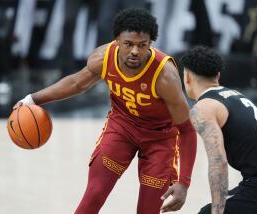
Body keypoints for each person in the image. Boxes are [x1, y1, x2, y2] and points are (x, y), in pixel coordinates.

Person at [14, 8, 197, 214]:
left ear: (150, 44)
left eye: (141, 45)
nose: (135, 51)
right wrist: (32, 99)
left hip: (160, 139)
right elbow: (76, 83)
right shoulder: (102, 57)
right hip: (122, 128)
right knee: (94, 194)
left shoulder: (165, 76)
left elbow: (187, 130)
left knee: (147, 210)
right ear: (117, 41)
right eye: (128, 44)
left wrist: (184, 183)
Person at [180, 45, 257, 214]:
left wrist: (217, 211)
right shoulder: (234, 95)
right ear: (218, 75)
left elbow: (218, 163)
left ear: (187, 76)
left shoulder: (203, 108)